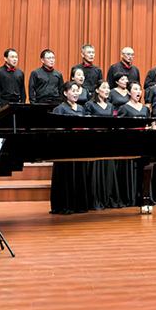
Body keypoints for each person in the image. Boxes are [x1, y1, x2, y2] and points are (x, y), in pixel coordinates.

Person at [50, 81, 90, 215]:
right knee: (66, 176)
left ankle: (78, 205)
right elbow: (56, 130)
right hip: (65, 148)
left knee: (79, 174)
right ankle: (64, 205)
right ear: (65, 93)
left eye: (77, 91)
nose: (76, 93)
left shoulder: (81, 108)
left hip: (79, 147)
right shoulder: (59, 109)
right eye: (73, 91)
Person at [85, 80, 123, 210]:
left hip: (108, 141)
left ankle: (108, 198)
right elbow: (87, 125)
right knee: (96, 170)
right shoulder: (90, 105)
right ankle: (96, 199)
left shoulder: (111, 106)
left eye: (108, 88)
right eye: (104, 88)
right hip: (95, 141)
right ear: (97, 90)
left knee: (109, 169)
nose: (107, 90)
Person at [116, 82, 150, 207]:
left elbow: (148, 125)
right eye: (135, 89)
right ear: (129, 92)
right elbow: (120, 128)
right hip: (130, 143)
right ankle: (129, 197)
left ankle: (142, 196)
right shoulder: (124, 108)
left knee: (143, 170)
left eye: (140, 89)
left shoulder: (145, 108)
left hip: (143, 142)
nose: (139, 92)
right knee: (129, 170)